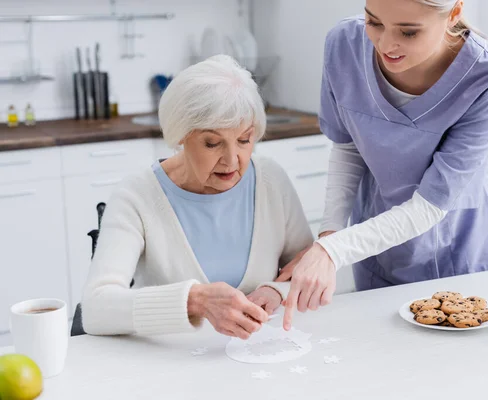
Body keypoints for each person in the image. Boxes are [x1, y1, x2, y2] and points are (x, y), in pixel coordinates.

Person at [279, 0, 488, 330]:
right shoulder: (344, 45)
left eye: (408, 31)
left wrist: (332, 251)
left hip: (459, 246)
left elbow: (431, 204)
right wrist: (329, 238)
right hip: (379, 241)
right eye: (373, 22)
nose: (386, 45)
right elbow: (349, 146)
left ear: (454, 13)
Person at [81, 55, 314, 339]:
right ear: (181, 135)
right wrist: (196, 300)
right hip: (171, 363)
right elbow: (95, 309)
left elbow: (307, 265)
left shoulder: (270, 180)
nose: (232, 160)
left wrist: (276, 289)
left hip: (261, 354)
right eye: (212, 143)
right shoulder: (137, 195)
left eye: (244, 140)